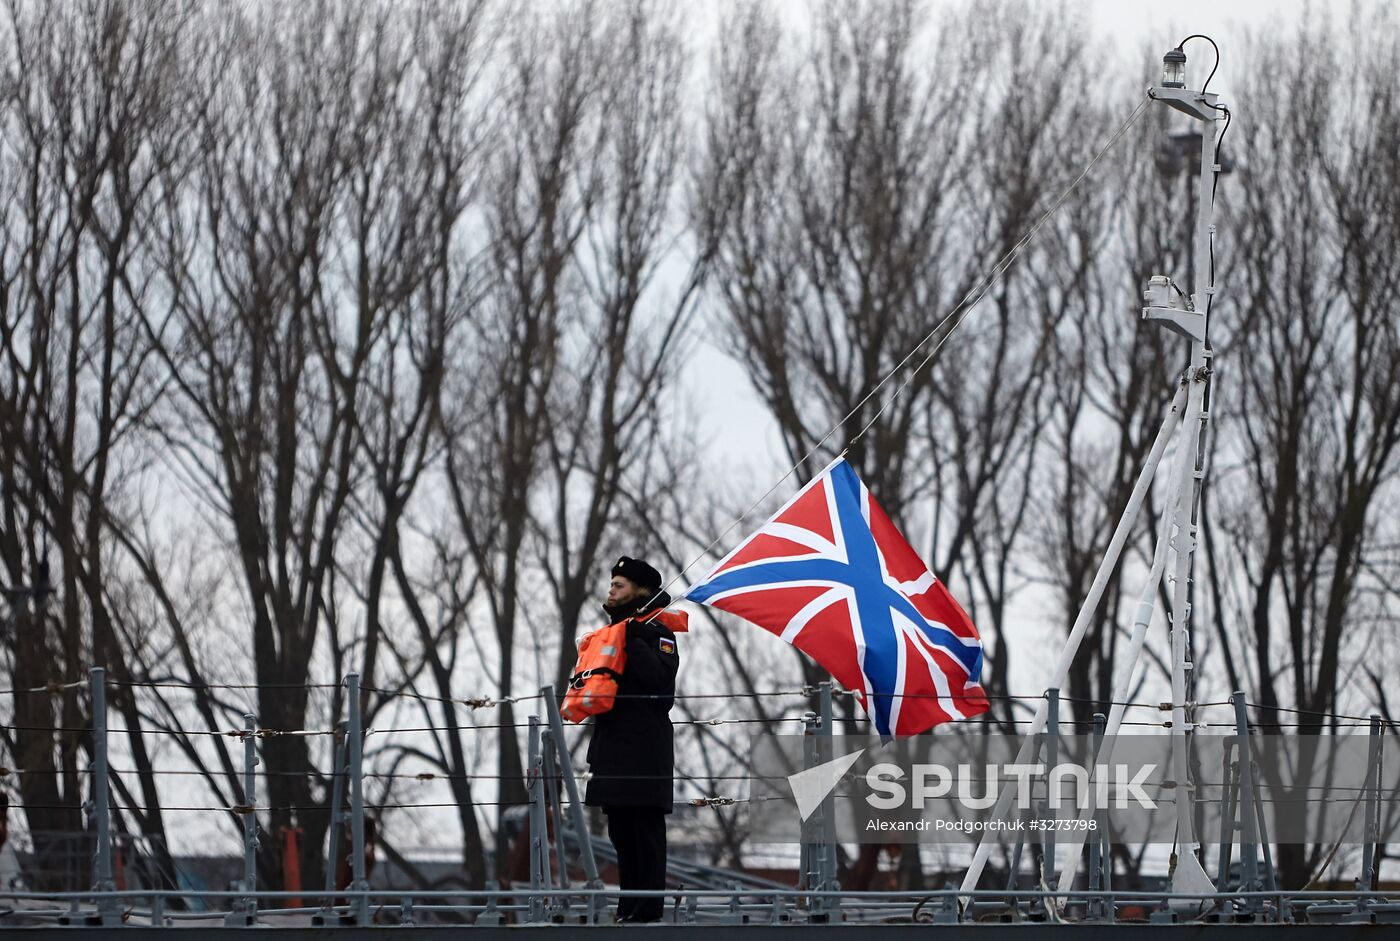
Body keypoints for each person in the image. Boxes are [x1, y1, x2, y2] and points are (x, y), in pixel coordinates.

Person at [583, 556, 686, 923]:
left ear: (639, 592)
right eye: (611, 584)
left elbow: (660, 686)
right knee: (621, 836)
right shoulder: (610, 634)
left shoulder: (658, 634)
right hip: (612, 752)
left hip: (644, 754)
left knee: (645, 836)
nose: (611, 590)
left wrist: (633, 638)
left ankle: (647, 911)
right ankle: (628, 909)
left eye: (619, 585)